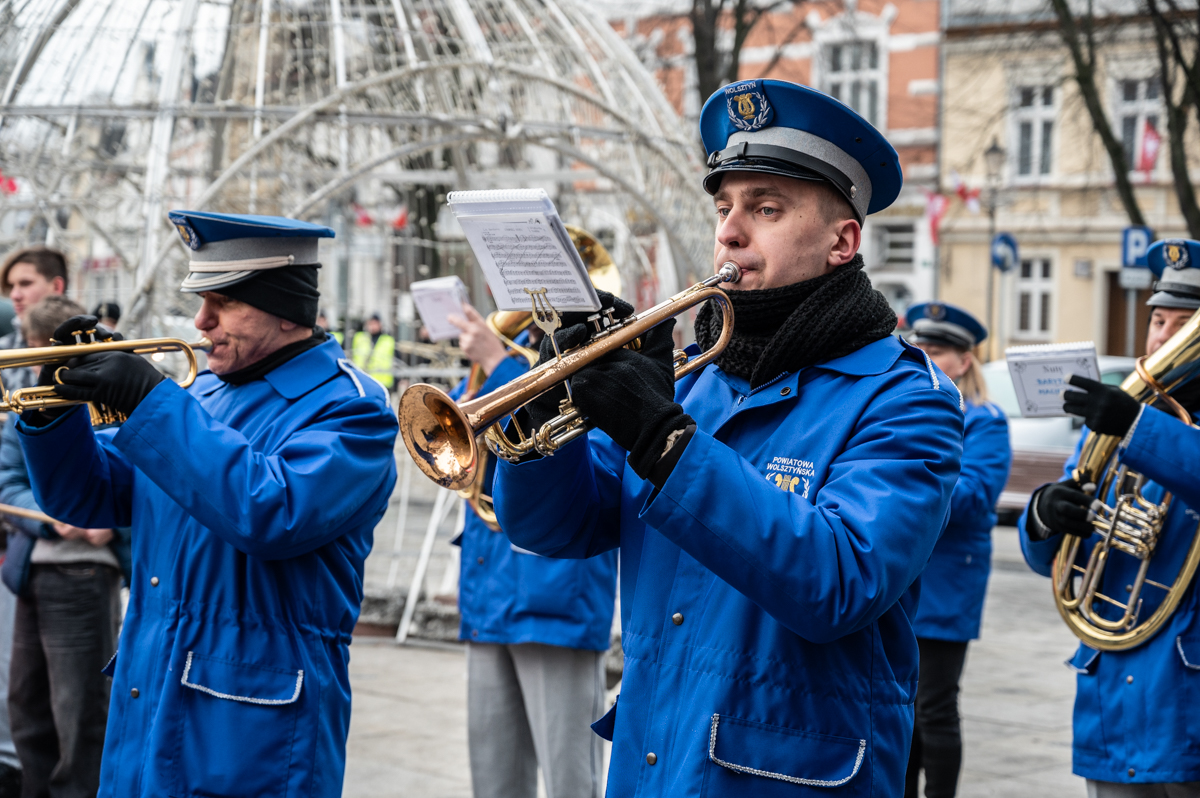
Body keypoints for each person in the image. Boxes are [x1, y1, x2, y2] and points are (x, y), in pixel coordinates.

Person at [491, 79, 964, 794]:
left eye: (765, 208)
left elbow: (839, 581)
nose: (730, 231)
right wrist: (552, 401)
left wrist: (663, 439)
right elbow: (549, 528)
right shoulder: (695, 379)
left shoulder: (905, 398)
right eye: (724, 207)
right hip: (654, 763)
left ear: (843, 240)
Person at [13, 211, 399, 798]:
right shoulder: (203, 393)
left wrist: (151, 400)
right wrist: (52, 411)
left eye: (223, 302)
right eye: (200, 299)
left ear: (284, 304)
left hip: (253, 727)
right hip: (151, 690)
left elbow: (270, 511)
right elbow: (84, 493)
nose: (201, 321)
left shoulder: (352, 409)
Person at [1018, 238, 1200, 796]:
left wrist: (1139, 428)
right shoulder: (1120, 424)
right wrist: (1047, 515)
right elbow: (1050, 558)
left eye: (1184, 324)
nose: (1163, 338)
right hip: (1112, 694)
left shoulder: (1133, 424)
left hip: (1186, 693)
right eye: (1159, 321)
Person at [446, 301, 618, 798]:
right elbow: (457, 445)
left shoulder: (597, 353)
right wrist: (482, 374)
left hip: (555, 602)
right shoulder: (508, 357)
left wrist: (500, 362)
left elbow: (590, 451)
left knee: (570, 783)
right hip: (488, 595)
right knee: (494, 781)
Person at [0, 295, 129, 798]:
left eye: (39, 349)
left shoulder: (118, 394)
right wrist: (58, 520)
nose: (34, 361)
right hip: (37, 563)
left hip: (89, 571)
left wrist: (111, 527)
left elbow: (149, 483)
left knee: (80, 714)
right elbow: (8, 482)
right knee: (27, 708)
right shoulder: (28, 399)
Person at [903, 303, 1011, 798]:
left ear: (965, 361)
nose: (924, 356)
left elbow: (973, 496)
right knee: (900, 705)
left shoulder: (985, 422)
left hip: (948, 583)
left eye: (938, 351)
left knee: (936, 706)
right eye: (919, 347)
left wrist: (909, 481)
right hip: (905, 579)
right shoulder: (909, 408)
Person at [352, 313, 395, 389]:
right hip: (362, 380)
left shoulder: (388, 340)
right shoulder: (359, 337)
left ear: (380, 324)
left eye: (375, 323)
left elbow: (396, 360)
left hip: (383, 382)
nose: (373, 326)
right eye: (371, 323)